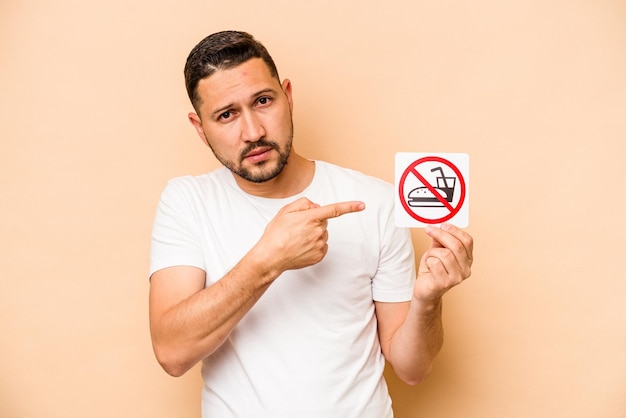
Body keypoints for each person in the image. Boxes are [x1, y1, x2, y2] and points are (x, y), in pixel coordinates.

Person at [148, 30, 473, 418]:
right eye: (226, 115)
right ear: (200, 128)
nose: (253, 132)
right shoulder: (187, 202)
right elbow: (171, 352)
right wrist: (269, 260)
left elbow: (412, 369)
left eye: (263, 101)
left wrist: (427, 300)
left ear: (287, 96)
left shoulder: (377, 202)